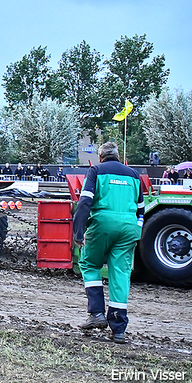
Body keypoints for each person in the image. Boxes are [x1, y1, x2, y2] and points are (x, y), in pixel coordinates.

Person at [72, 142, 144, 344]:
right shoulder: (133, 175)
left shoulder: (96, 170)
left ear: (100, 157)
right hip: (129, 227)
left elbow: (85, 201)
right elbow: (141, 208)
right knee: (120, 273)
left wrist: (78, 232)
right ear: (118, 156)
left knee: (88, 263)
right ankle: (118, 329)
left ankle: (96, 313)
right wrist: (137, 227)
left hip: (103, 224)